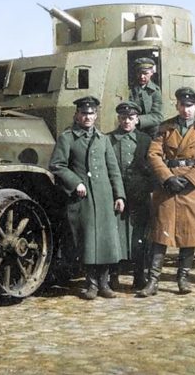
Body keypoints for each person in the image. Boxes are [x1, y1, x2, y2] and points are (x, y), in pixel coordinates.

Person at [137, 87, 195, 297]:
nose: (186, 110)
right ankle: (153, 282)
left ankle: (183, 279)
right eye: (182, 105)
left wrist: (190, 179)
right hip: (168, 186)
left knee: (189, 235)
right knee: (160, 234)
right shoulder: (165, 128)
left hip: (193, 188)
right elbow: (153, 154)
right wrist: (168, 177)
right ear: (177, 105)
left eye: (190, 106)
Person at [49, 96, 126, 300]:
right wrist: (76, 183)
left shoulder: (103, 139)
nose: (87, 117)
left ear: (96, 115)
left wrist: (119, 195)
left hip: (104, 196)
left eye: (91, 113)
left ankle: (104, 283)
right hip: (82, 198)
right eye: (83, 113)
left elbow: (114, 170)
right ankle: (91, 284)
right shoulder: (67, 138)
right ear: (77, 115)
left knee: (107, 241)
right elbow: (57, 165)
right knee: (88, 241)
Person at [107, 101, 155, 290]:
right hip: (116, 194)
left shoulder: (145, 140)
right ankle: (113, 275)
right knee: (115, 236)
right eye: (123, 118)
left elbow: (152, 167)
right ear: (118, 119)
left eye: (131, 118)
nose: (127, 121)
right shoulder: (108, 139)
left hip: (139, 194)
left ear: (137, 120)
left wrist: (149, 189)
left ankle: (139, 275)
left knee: (139, 237)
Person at [128, 57, 163, 137]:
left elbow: (158, 116)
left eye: (145, 73)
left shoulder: (155, 91)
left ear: (151, 73)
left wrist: (138, 120)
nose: (141, 76)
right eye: (139, 73)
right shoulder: (129, 89)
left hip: (149, 131)